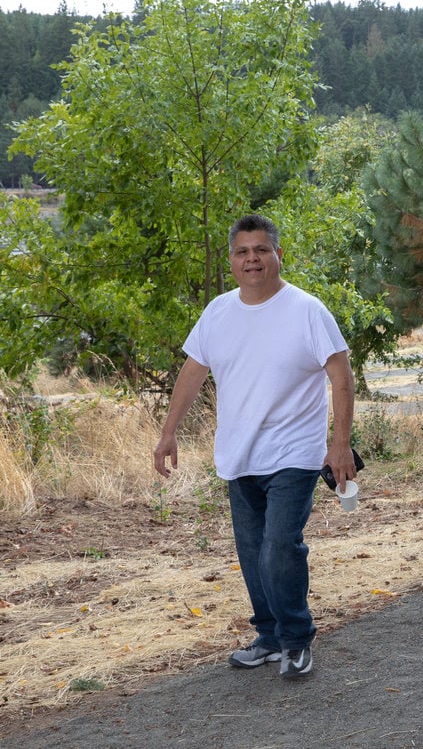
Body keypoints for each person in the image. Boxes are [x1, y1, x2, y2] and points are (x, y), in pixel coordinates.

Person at [153, 214, 356, 678]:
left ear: (278, 255)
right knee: (251, 551)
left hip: (295, 453)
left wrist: (339, 444)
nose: (252, 259)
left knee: (279, 547)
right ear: (231, 260)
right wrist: (169, 430)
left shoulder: (307, 310)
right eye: (243, 252)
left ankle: (297, 638)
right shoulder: (218, 313)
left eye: (261, 250)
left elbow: (341, 378)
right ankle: (268, 635)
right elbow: (192, 373)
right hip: (238, 454)